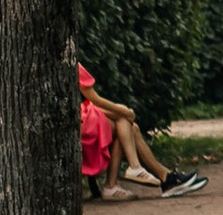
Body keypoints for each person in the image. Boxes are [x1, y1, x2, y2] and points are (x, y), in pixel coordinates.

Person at [78, 64, 206, 200]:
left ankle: (164, 177)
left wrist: (121, 111)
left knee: (129, 127)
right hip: (78, 120)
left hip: (78, 116)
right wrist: (125, 112)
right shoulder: (70, 60)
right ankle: (132, 172)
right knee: (123, 118)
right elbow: (94, 99)